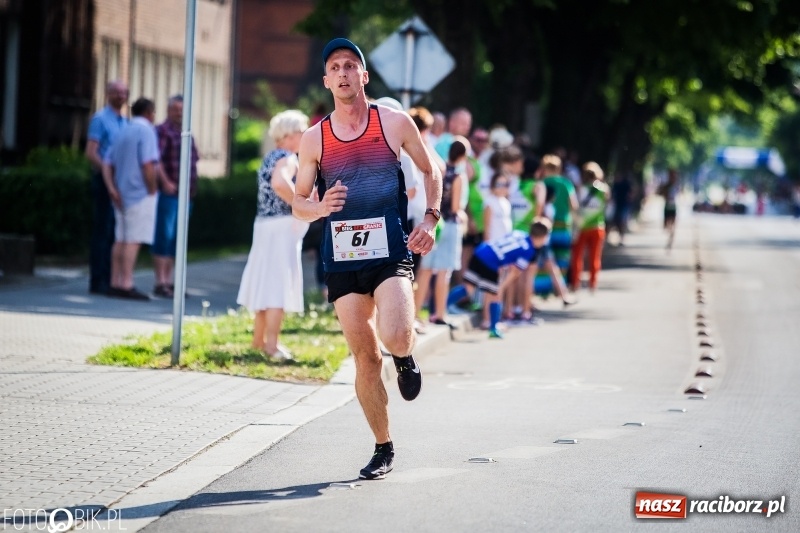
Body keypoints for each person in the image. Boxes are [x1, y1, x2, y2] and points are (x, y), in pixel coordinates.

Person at [292, 38, 442, 481]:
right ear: (326, 80)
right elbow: (298, 202)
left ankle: (405, 355)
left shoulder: (393, 123)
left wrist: (431, 218)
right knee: (364, 358)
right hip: (342, 255)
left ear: (364, 75)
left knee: (395, 335)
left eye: (350, 66)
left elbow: (432, 168)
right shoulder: (314, 138)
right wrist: (319, 208)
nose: (342, 73)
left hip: (390, 247)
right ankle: (383, 446)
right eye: (335, 67)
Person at [237, 110, 310, 361]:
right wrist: (301, 205)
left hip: (264, 225)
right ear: (289, 135)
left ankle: (259, 342)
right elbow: (280, 183)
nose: (305, 135)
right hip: (281, 227)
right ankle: (272, 346)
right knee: (277, 287)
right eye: (302, 131)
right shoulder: (289, 157)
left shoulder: (270, 156)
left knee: (264, 286)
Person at [447, 218, 552, 338]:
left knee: (468, 287)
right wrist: (501, 286)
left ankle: (441, 309)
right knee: (495, 295)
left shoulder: (518, 233)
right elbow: (515, 272)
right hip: (491, 262)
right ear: (543, 237)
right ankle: (493, 328)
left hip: (481, 251)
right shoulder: (529, 251)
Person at [101, 97, 159, 300]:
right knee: (133, 240)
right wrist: (152, 188)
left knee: (120, 239)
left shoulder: (122, 129)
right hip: (140, 193)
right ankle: (127, 283)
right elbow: (148, 164)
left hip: (120, 193)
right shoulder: (147, 131)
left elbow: (106, 162)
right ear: (149, 112)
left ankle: (115, 282)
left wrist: (111, 188)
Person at [414, 138, 468, 328]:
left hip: (433, 223)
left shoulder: (440, 170)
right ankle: (439, 313)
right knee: (444, 273)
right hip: (450, 225)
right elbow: (455, 207)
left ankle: (415, 313)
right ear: (462, 156)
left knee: (425, 270)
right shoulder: (458, 176)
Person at [152, 95, 200, 297]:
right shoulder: (162, 131)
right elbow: (156, 160)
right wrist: (165, 182)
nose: (179, 113)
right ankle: (160, 282)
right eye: (175, 109)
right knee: (165, 236)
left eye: (182, 109)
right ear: (168, 110)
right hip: (170, 194)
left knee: (177, 240)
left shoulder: (186, 133)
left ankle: (171, 282)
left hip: (186, 196)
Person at [85, 81, 129, 295]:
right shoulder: (100, 119)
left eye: (123, 93)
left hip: (120, 182)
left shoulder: (125, 122)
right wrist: (107, 171)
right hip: (104, 182)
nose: (120, 96)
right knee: (103, 231)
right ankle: (98, 281)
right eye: (116, 92)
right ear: (107, 94)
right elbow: (91, 152)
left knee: (114, 232)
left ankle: (111, 280)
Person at [569, 162, 609, 292]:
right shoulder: (604, 189)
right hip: (598, 226)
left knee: (577, 256)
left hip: (582, 227)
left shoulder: (580, 188)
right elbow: (608, 204)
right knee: (594, 257)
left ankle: (575, 283)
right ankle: (593, 283)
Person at [658, 168, 679, 250]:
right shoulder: (666, 185)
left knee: (672, 225)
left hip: (673, 207)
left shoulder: (676, 185)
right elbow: (660, 193)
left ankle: (670, 240)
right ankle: (670, 237)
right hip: (667, 206)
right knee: (666, 226)